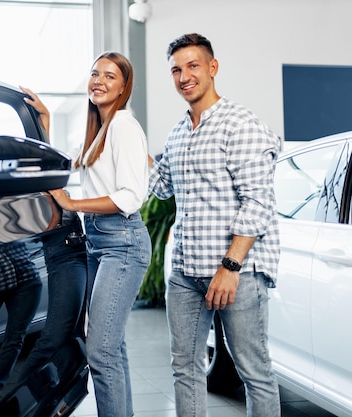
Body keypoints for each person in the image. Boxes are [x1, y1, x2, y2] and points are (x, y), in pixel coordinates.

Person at [148, 33, 281, 417]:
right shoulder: (178, 133)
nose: (184, 76)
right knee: (185, 369)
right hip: (187, 274)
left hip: (236, 273)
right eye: (176, 69)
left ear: (212, 68)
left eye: (192, 66)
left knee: (253, 371)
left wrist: (231, 266)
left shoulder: (240, 123)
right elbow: (159, 189)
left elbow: (258, 202)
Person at [22, 51, 152, 417]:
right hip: (99, 243)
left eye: (110, 76)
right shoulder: (98, 130)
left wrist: (73, 204)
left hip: (122, 244)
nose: (99, 81)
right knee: (114, 346)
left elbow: (130, 196)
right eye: (95, 74)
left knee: (101, 351)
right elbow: (65, 164)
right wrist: (44, 123)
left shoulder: (124, 126)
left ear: (124, 87)